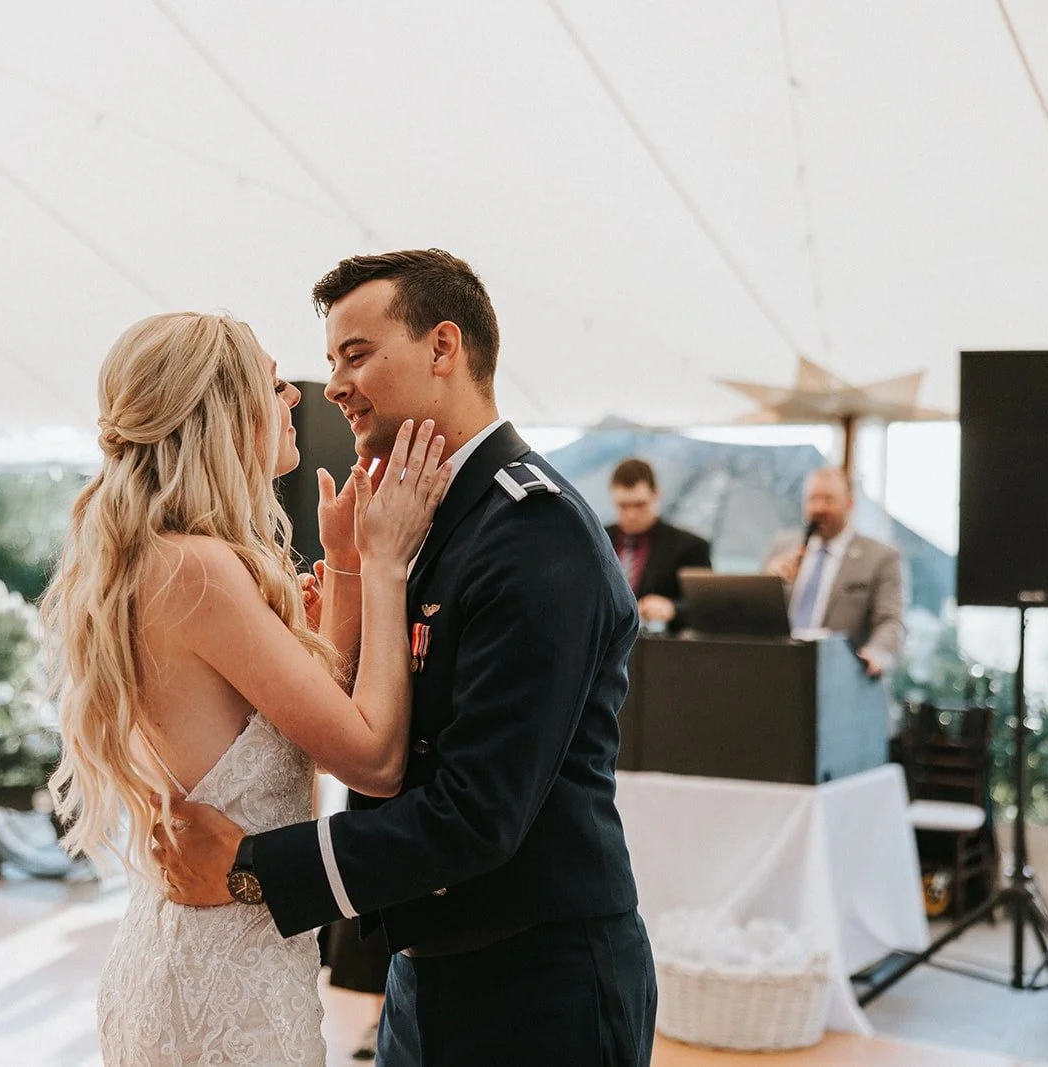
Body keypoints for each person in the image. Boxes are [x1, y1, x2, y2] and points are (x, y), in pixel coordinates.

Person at [156, 250, 656, 1066]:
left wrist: (249, 871)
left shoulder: (534, 531)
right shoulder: (415, 518)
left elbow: (477, 811)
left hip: (538, 984)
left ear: (442, 348)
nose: (336, 386)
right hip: (428, 972)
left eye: (356, 354)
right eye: (329, 363)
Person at [41, 311, 451, 1065]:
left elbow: (306, 744)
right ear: (221, 409)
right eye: (273, 382)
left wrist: (347, 567)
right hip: (222, 975)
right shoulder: (197, 569)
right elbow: (374, 758)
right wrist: (386, 563)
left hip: (203, 952)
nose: (296, 396)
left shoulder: (159, 559)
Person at [763, 466, 904, 677]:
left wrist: (877, 654)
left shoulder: (881, 557)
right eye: (812, 499)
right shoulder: (782, 548)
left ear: (849, 504)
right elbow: (756, 616)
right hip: (779, 672)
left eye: (828, 500)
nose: (819, 508)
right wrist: (767, 582)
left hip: (841, 678)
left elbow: (890, 621)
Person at [605, 457, 713, 631]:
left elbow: (707, 606)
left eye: (640, 504)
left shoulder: (690, 546)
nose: (631, 514)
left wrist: (672, 608)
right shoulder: (598, 541)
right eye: (623, 506)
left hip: (663, 648)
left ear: (657, 495)